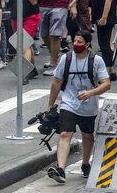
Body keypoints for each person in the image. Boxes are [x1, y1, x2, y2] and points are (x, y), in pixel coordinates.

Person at [44, 30, 110, 183]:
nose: (76, 44)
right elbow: (56, 82)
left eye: (80, 42)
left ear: (87, 44)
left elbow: (106, 84)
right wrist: (50, 105)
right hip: (69, 102)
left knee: (87, 135)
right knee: (65, 133)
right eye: (74, 41)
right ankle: (61, 169)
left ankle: (85, 163)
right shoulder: (66, 59)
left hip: (89, 105)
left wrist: (91, 93)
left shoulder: (96, 60)